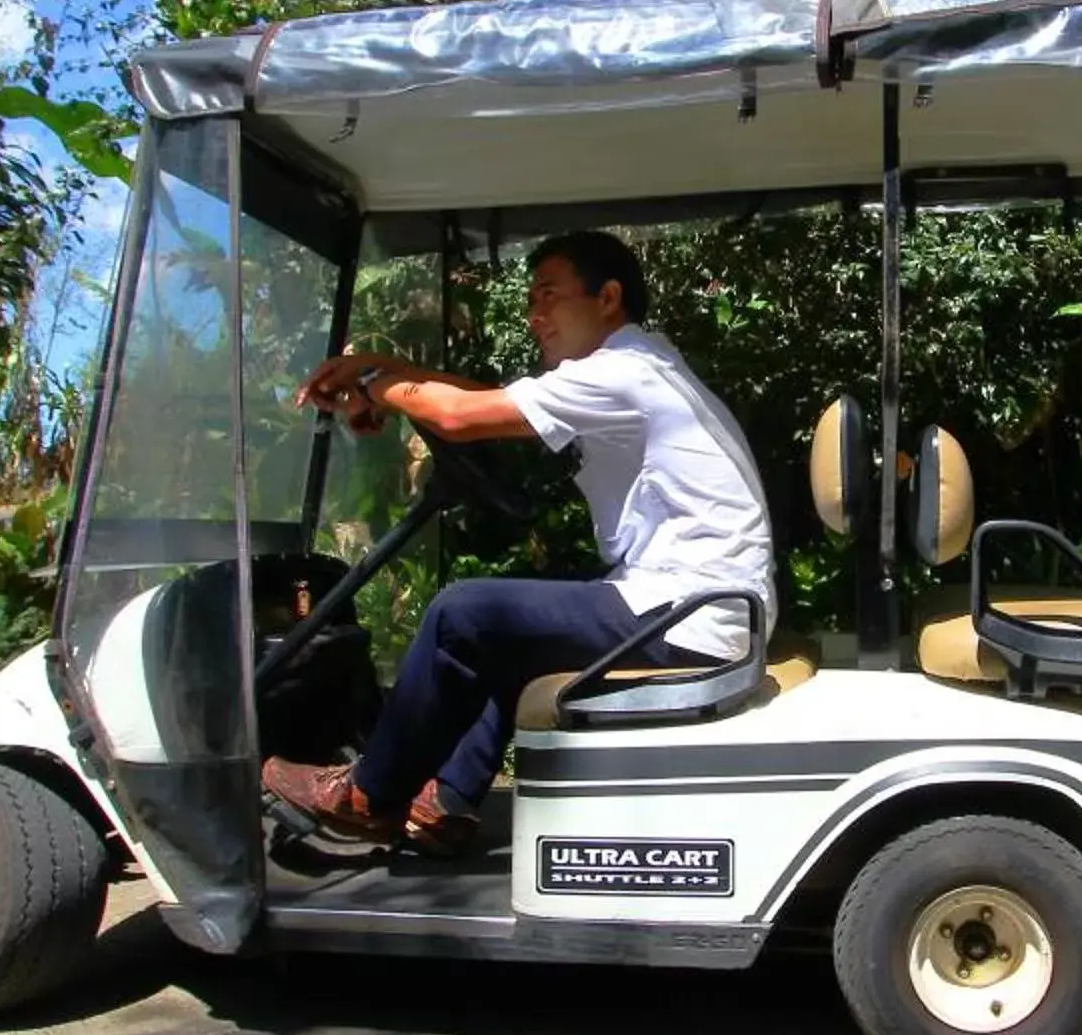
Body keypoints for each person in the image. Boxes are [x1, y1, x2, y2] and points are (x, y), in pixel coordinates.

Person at [264, 230, 776, 855]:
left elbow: (456, 416)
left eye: (549, 295)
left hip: (688, 617)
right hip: (692, 606)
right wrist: (386, 374)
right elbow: (476, 400)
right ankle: (447, 803)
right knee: (510, 634)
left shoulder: (623, 374)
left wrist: (374, 383)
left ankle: (367, 796)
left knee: (464, 612)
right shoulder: (637, 362)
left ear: (608, 297)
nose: (534, 314)